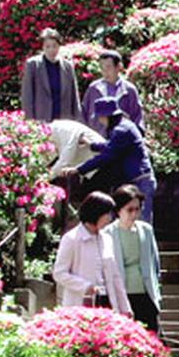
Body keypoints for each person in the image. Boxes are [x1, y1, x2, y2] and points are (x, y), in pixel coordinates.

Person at [62, 97, 156, 223]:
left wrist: (78, 169)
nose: (100, 121)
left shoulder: (121, 130)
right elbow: (111, 146)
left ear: (108, 116)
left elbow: (106, 156)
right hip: (139, 180)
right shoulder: (125, 126)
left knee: (141, 225)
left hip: (140, 182)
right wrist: (91, 145)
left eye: (101, 117)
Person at [52, 191, 132, 316]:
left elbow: (115, 276)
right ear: (96, 213)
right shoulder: (72, 239)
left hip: (107, 303)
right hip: (80, 305)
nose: (110, 219)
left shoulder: (107, 239)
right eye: (107, 214)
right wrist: (85, 286)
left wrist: (125, 308)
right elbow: (59, 273)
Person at [106, 184, 162, 331]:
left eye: (138, 209)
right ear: (118, 210)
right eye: (129, 210)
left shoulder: (146, 230)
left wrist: (156, 289)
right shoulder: (108, 233)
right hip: (122, 295)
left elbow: (155, 262)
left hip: (146, 293)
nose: (134, 214)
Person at [21, 28, 81, 122]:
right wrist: (29, 120)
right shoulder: (33, 65)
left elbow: (74, 95)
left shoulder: (67, 66)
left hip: (63, 118)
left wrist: (77, 118)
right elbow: (27, 95)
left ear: (59, 46)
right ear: (43, 47)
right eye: (47, 46)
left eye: (54, 46)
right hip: (41, 118)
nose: (51, 50)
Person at [81, 50, 145, 135]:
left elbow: (137, 116)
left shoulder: (129, 90)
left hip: (121, 140)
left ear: (119, 66)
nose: (105, 71)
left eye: (108, 67)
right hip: (96, 138)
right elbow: (84, 113)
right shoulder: (94, 88)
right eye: (102, 68)